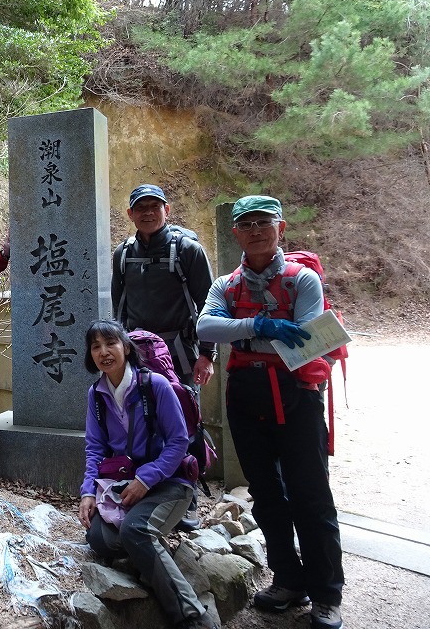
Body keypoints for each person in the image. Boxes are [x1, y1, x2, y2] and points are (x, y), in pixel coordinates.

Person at [197, 195, 343, 629]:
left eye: (264, 222)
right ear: (236, 233)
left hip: (297, 396)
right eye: (247, 224)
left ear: (280, 228)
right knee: (266, 493)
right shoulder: (225, 285)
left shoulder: (303, 281)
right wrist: (259, 326)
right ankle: (288, 579)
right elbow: (205, 326)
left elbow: (305, 339)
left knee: (310, 495)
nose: (256, 230)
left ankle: (326, 594)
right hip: (245, 398)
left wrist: (239, 335)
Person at [78, 319, 216, 629]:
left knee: (134, 531)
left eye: (110, 343)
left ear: (126, 347)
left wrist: (146, 479)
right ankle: (150, 555)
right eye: (96, 346)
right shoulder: (96, 394)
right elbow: (94, 448)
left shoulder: (155, 385)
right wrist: (88, 492)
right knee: (99, 539)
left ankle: (192, 615)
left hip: (170, 482)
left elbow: (179, 441)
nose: (104, 352)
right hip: (125, 487)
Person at [112, 184, 217, 390]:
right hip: (137, 352)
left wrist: (207, 354)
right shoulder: (123, 254)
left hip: (180, 353)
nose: (148, 212)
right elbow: (118, 307)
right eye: (141, 208)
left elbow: (209, 304)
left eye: (155, 206)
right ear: (130, 214)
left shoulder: (188, 250)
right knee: (141, 408)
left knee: (182, 407)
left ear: (166, 210)